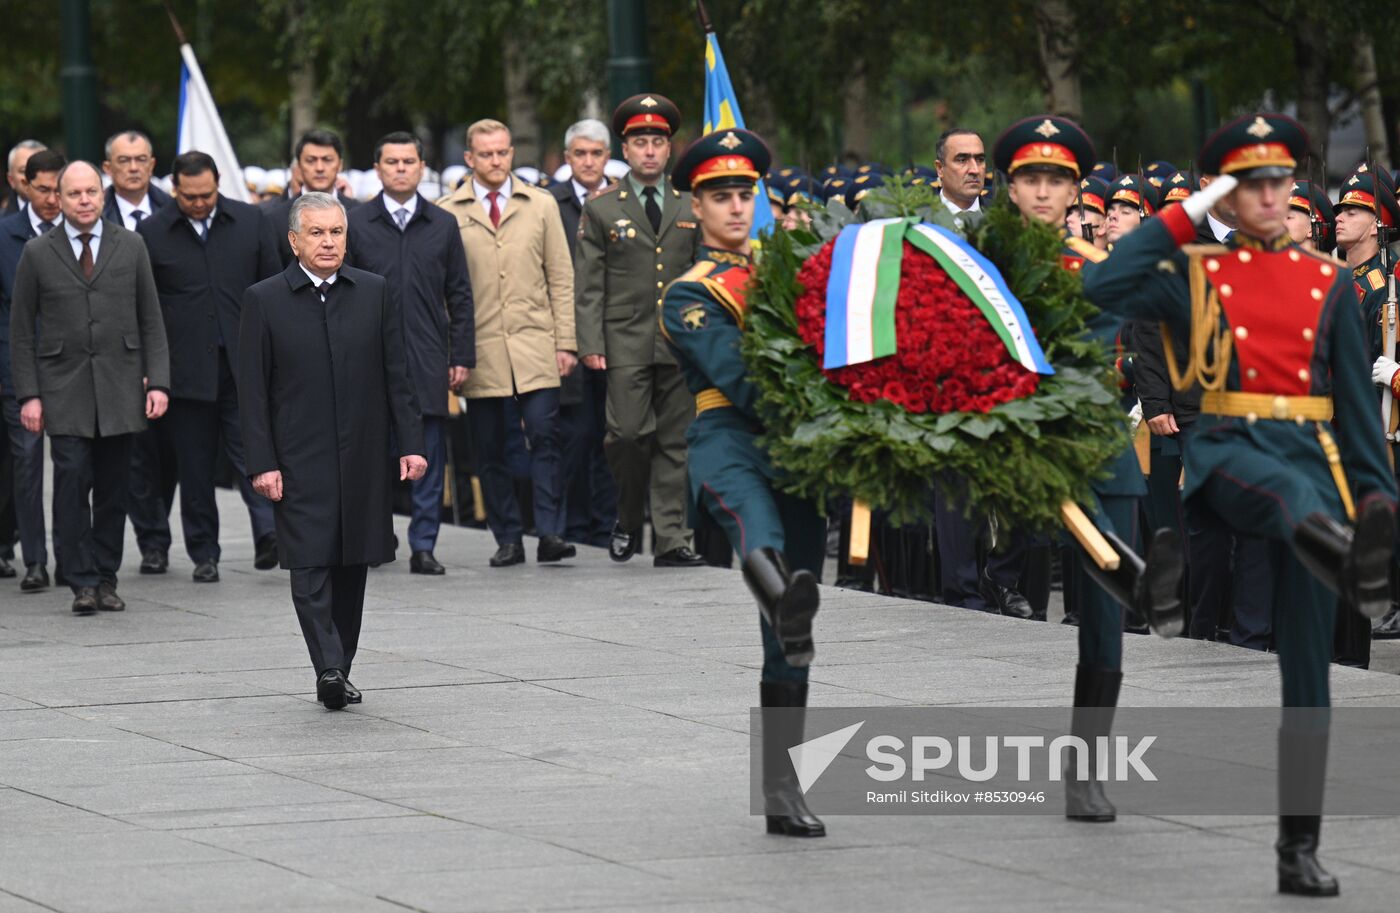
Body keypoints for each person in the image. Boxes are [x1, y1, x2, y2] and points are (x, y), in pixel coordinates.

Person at [1084, 112, 1397, 897]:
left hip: (1313, 468)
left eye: (1279, 181)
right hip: (1226, 452)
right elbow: (1104, 285)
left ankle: (1298, 844)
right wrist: (1185, 213)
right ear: (1228, 192)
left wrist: (1379, 506)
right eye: (1248, 183)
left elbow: (1357, 413)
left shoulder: (1327, 282)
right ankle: (1317, 547)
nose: (1267, 195)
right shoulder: (1194, 271)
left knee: (1308, 673)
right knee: (1293, 501)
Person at [994, 116, 1183, 824]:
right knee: (1094, 570)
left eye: (1057, 180)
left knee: (1103, 622)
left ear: (1076, 190)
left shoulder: (1096, 268)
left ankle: (1086, 769)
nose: (1043, 192)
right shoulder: (981, 262)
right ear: (1011, 188)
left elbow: (1093, 358)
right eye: (1030, 179)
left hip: (1092, 446)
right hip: (1012, 443)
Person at [660, 127, 826, 838]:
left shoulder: (791, 274)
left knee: (788, 631)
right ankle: (781, 593)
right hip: (730, 441)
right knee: (761, 542)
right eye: (720, 196)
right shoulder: (689, 294)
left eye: (744, 194)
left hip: (803, 451)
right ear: (695, 207)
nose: (735, 206)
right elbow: (740, 376)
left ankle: (782, 790)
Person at [239, 192, 425, 710]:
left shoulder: (374, 291)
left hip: (362, 455)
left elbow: (398, 375)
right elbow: (252, 390)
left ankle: (339, 666)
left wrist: (411, 443)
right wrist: (262, 462)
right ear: (294, 240)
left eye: (336, 232)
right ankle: (327, 666)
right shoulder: (265, 298)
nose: (328, 242)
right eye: (316, 233)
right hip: (298, 457)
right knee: (309, 563)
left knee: (352, 564)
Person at [9, 161, 171, 615]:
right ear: (58, 199)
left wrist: (157, 382)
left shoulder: (131, 245)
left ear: (102, 197)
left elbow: (152, 320)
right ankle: (79, 578)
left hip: (120, 388)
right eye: (74, 194)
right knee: (71, 481)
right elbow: (21, 331)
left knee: (115, 488)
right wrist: (30, 394)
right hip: (64, 388)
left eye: (90, 193)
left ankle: (106, 576)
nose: (83, 201)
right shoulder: (39, 252)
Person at [136, 151, 282, 581]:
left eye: (207, 194)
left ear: (218, 184)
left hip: (244, 366)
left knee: (254, 453)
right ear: (174, 189)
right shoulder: (152, 232)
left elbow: (274, 290)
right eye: (189, 196)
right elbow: (146, 306)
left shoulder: (251, 222)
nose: (199, 203)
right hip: (185, 372)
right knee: (195, 467)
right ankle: (204, 554)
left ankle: (270, 536)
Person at [437, 119, 577, 567]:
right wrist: (452, 353)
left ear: (511, 153)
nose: (496, 161)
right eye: (487, 154)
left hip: (536, 343)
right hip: (479, 351)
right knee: (490, 447)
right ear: (469, 159)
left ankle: (551, 532)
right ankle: (509, 537)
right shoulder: (447, 212)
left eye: (503, 152)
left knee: (545, 436)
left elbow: (561, 276)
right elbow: (443, 289)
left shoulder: (540, 205)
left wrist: (567, 342)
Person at [576, 94, 705, 567]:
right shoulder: (603, 208)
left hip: (678, 342)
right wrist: (589, 343)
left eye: (657, 142)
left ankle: (672, 538)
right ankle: (629, 517)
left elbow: (701, 275)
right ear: (624, 151)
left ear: (669, 149)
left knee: (676, 442)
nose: (649, 151)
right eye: (639, 142)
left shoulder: (691, 204)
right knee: (627, 436)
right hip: (624, 341)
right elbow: (589, 284)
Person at [347, 131, 474, 575]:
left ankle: (424, 544)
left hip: (426, 354)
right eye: (392, 162)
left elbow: (459, 294)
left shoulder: (442, 224)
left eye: (408, 162)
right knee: (373, 455)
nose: (400, 169)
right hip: (368, 359)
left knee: (428, 452)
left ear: (422, 168)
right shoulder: (357, 223)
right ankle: (378, 538)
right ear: (378, 168)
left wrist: (461, 355)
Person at [550, 119, 617, 548]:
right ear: (567, 158)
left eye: (596, 153)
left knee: (614, 436)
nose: (589, 161)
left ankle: (608, 525)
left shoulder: (623, 200)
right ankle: (573, 526)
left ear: (608, 157)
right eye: (580, 153)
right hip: (569, 341)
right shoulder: (548, 203)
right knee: (573, 436)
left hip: (617, 338)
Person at [0, 147, 61, 593]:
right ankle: (35, 560)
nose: (53, 199)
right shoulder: (5, 236)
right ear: (25, 186)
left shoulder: (86, 236)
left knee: (76, 468)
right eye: (43, 190)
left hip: (74, 371)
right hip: (18, 373)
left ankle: (77, 557)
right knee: (26, 466)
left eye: (59, 190)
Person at [1346, 168, 1400, 642]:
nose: (1340, 218)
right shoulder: (1345, 278)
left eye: (1353, 210)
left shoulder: (1379, 286)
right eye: (1339, 209)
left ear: (1377, 222)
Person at [264, 130, 361, 266]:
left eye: (327, 160)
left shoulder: (361, 215)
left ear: (340, 165)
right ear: (298, 166)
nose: (319, 168)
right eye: (311, 160)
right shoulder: (275, 219)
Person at [101, 131, 170, 231]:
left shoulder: (173, 210)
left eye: (141, 159)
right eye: (124, 160)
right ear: (108, 168)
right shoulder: (97, 214)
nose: (134, 168)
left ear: (151, 165)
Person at [3, 140, 45, 215]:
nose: (32, 177)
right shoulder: (2, 223)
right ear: (11, 180)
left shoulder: (70, 218)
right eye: (23, 171)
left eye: (39, 169)